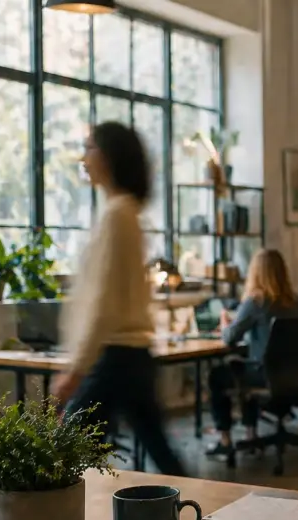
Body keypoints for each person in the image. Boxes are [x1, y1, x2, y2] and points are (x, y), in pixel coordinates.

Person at [52, 121, 187, 477]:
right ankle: (197, 512)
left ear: (109, 157)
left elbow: (104, 301)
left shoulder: (117, 215)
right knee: (160, 450)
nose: (84, 157)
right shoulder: (123, 213)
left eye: (90, 148)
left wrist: (76, 368)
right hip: (129, 354)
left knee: (60, 453)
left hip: (116, 356)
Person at [205, 248, 298, 457]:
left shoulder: (256, 301)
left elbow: (230, 337)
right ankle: (251, 435)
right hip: (294, 375)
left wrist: (225, 323)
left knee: (218, 375)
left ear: (256, 273)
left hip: (266, 375)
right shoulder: (296, 301)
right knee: (245, 365)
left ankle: (225, 439)